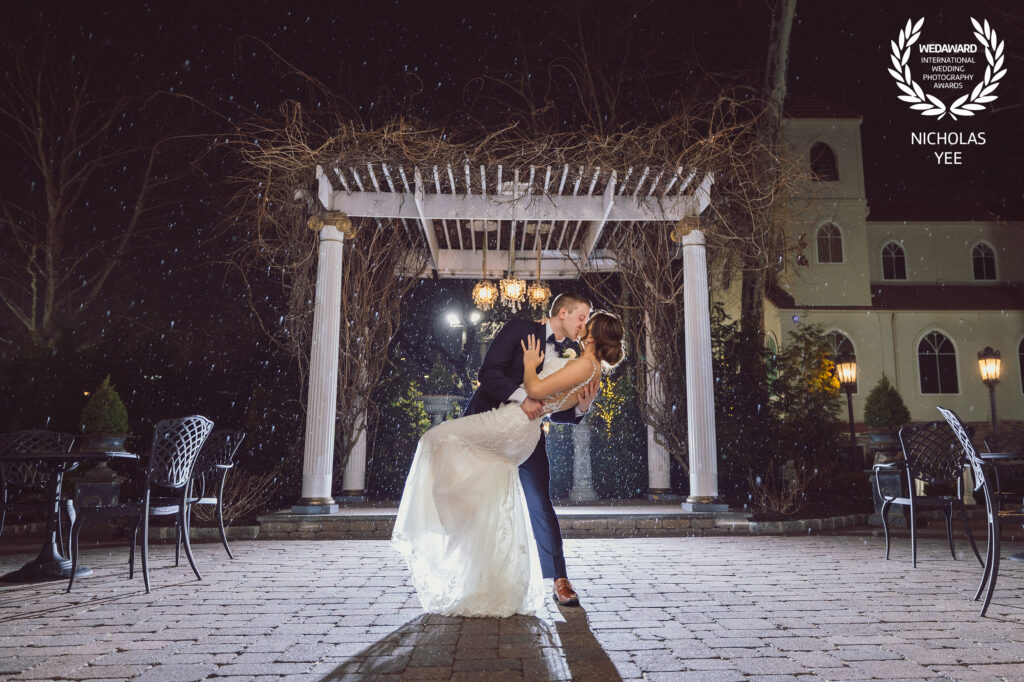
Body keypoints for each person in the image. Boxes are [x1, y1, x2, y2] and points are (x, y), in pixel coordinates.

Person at [391, 310, 624, 617]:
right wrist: (571, 402)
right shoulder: (525, 332)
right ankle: (486, 577)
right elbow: (489, 374)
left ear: (592, 335)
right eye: (581, 316)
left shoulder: (581, 362)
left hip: (516, 428)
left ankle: (557, 577)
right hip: (501, 418)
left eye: (587, 321)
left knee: (535, 500)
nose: (583, 323)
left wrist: (534, 370)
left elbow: (542, 394)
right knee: (489, 493)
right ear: (563, 313)